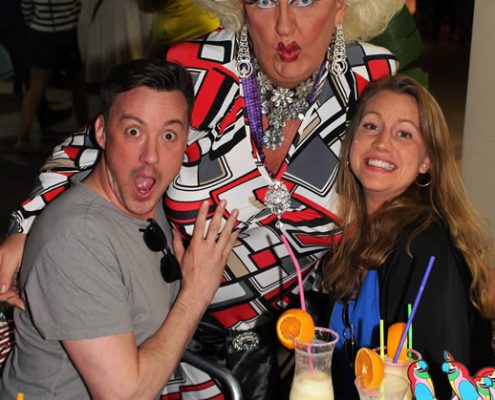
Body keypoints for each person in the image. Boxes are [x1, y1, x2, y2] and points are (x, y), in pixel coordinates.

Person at [0, 0, 405, 397]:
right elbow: (94, 144)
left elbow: (410, 169)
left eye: (304, 1)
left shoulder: (369, 78)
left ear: (341, 8)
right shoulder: (198, 68)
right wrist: (27, 225)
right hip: (181, 345)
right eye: (263, 1)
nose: (284, 25)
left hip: (301, 347)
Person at [0, 59, 239, 398]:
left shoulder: (150, 202)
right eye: (133, 132)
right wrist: (195, 294)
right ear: (101, 132)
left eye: (169, 135)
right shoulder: (78, 240)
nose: (151, 156)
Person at [323, 74, 495, 399]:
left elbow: (440, 382)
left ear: (427, 161)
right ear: (351, 143)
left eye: (404, 133)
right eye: (371, 126)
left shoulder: (423, 246)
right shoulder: (355, 237)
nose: (382, 143)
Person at [17, 0, 88, 153]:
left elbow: (26, 8)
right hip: (69, 31)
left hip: (40, 33)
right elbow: (78, 5)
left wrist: (36, 22)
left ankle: (23, 138)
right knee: (78, 87)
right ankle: (86, 135)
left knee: (35, 89)